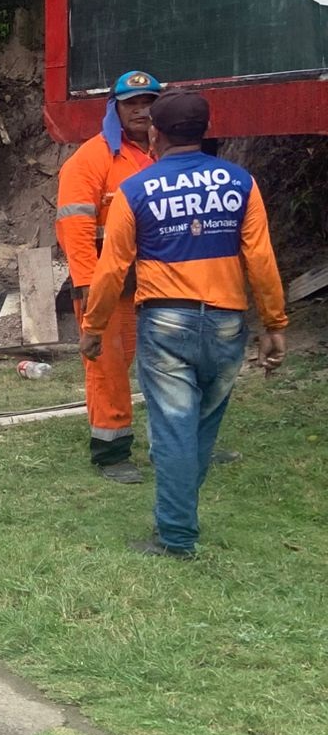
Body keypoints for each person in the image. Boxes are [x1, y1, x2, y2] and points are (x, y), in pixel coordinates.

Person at [80, 91, 287, 557]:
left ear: (156, 132)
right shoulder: (242, 183)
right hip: (227, 325)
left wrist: (93, 327)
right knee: (199, 430)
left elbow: (112, 269)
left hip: (166, 324)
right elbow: (260, 259)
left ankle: (175, 537)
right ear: (203, 131)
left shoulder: (136, 190)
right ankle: (179, 520)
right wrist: (274, 323)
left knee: (173, 432)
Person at [55, 69, 162, 482]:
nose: (141, 110)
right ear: (115, 109)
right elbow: (75, 228)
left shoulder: (163, 156)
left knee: (164, 365)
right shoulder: (90, 160)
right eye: (132, 103)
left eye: (149, 102)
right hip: (107, 288)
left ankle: (173, 443)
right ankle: (112, 452)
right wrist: (88, 288)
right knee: (108, 369)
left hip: (156, 285)